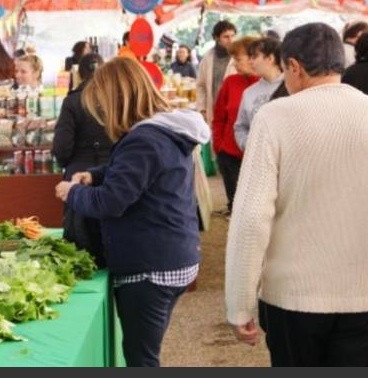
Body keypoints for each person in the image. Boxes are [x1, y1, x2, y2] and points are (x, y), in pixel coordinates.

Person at [224, 22, 368, 367]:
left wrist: (240, 303)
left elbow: (252, 216)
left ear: (294, 67)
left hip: (294, 296)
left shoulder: (274, 117)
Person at [54, 57, 210, 367]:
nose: (100, 113)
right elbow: (138, 174)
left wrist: (73, 193)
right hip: (172, 254)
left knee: (141, 359)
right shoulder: (160, 130)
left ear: (116, 99)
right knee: (144, 351)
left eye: (101, 104)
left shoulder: (144, 139)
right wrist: (95, 175)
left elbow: (111, 202)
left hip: (151, 266)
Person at [52, 53, 112, 267]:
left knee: (79, 250)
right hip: (112, 172)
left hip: (78, 175)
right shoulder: (115, 98)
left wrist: (66, 163)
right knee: (111, 242)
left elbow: (61, 147)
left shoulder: (72, 100)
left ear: (79, 73)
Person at [211, 36, 259, 216]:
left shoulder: (267, 85)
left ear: (254, 57)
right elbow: (219, 117)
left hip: (255, 153)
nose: (235, 64)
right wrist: (218, 145)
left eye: (238, 59)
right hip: (229, 152)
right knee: (235, 203)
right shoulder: (231, 82)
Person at [233, 36, 286, 152]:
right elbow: (240, 127)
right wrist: (249, 146)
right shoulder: (249, 92)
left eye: (254, 57)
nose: (250, 61)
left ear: (270, 58)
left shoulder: (292, 87)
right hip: (257, 161)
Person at [196, 20, 237, 125]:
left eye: (233, 36)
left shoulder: (239, 58)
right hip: (213, 112)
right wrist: (202, 109)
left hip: (234, 113)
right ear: (216, 38)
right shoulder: (207, 58)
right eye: (226, 37)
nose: (231, 40)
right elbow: (201, 85)